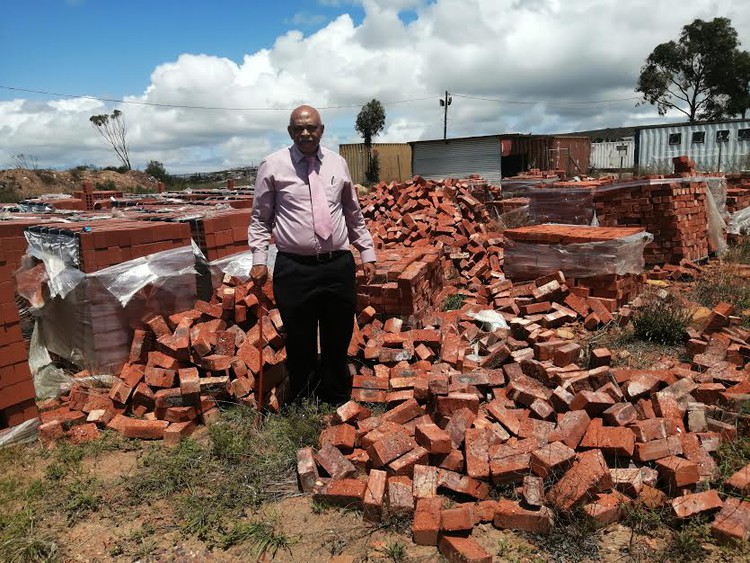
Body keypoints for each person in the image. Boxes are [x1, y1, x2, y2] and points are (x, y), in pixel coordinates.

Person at [248, 105, 376, 405]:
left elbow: (352, 212)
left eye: (311, 127)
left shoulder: (337, 163)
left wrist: (366, 251)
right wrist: (258, 259)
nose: (305, 133)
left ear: (322, 129)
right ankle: (303, 398)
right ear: (290, 131)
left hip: (337, 265)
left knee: (338, 334)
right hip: (295, 268)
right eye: (298, 128)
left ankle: (335, 396)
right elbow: (260, 218)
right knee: (300, 337)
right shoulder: (273, 165)